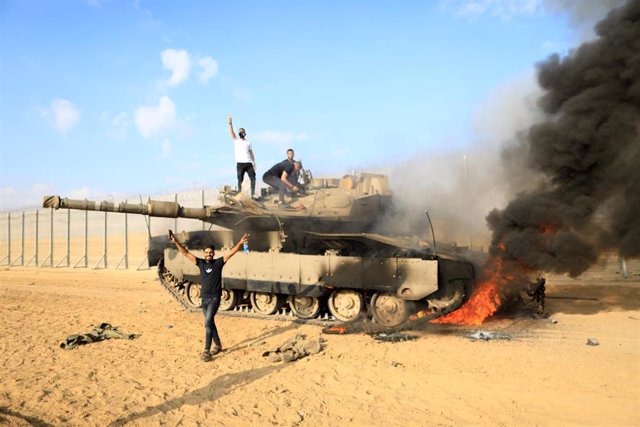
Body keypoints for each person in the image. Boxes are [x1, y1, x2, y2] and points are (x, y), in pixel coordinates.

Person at [169, 229, 249, 362]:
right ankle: (218, 345)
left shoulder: (218, 263)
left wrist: (240, 243)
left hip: (214, 299)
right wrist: (176, 241)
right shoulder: (200, 263)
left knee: (207, 322)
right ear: (204, 254)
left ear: (213, 253)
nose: (208, 254)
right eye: (206, 252)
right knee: (210, 322)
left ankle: (206, 350)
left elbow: (231, 253)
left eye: (210, 252)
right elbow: (185, 252)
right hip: (204, 299)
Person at [228, 114, 257, 198]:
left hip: (248, 163)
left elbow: (251, 152)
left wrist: (254, 162)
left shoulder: (248, 142)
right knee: (240, 179)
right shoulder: (236, 141)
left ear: (244, 133)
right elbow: (231, 133)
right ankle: (240, 193)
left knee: (253, 177)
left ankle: (253, 193)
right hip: (240, 163)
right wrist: (230, 124)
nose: (241, 133)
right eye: (239, 132)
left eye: (242, 131)